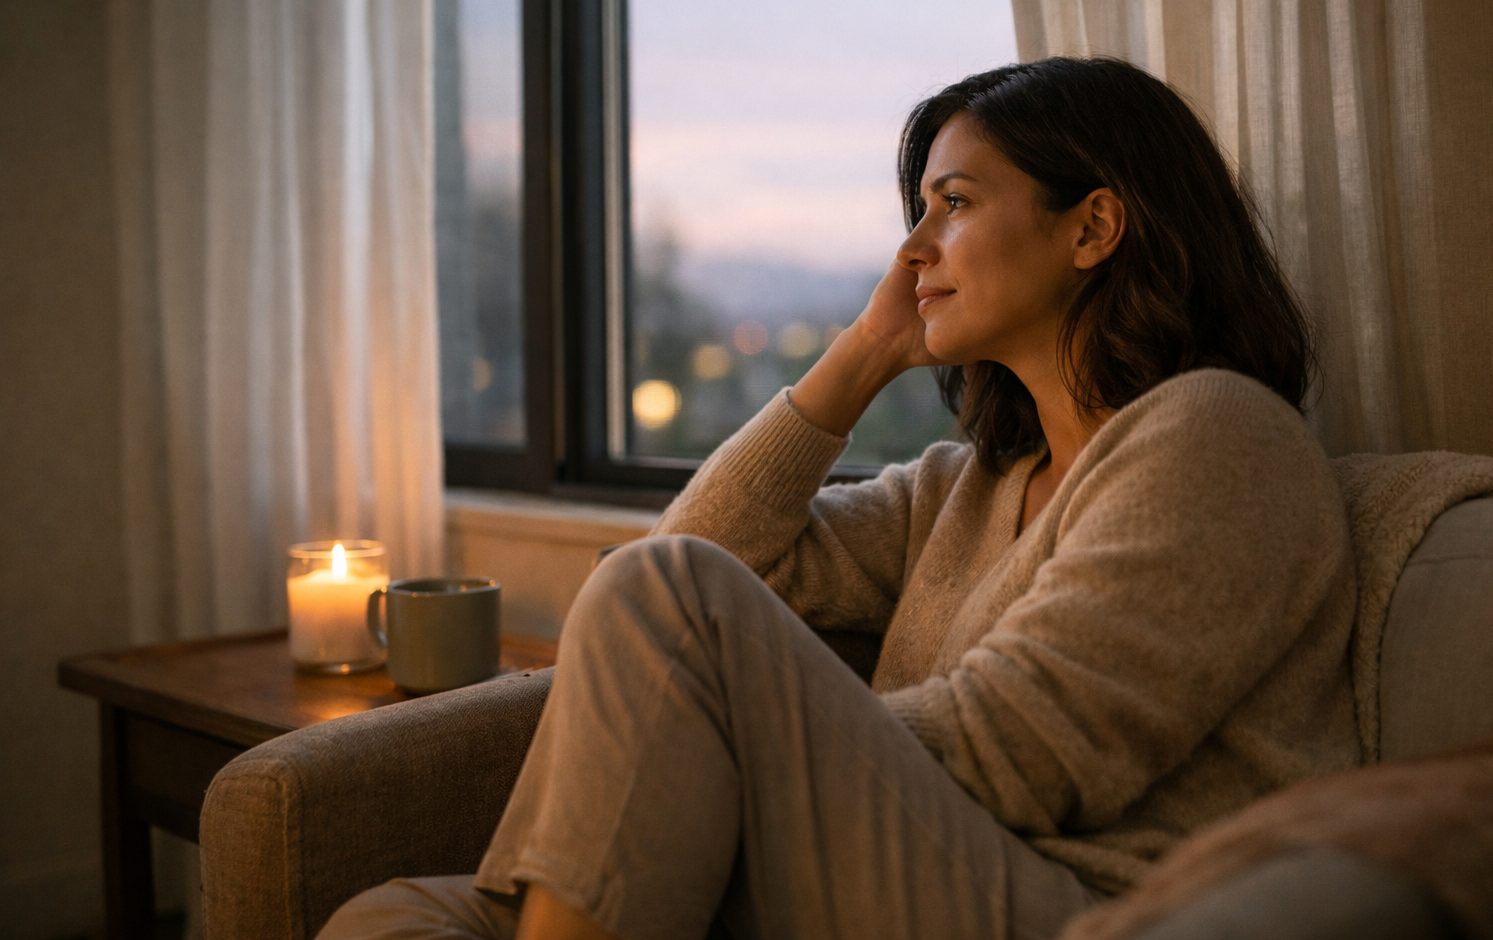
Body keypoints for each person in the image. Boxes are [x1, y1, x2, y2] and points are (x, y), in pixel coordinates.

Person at [320, 58, 1360, 940]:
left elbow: (1025, 757)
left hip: (1085, 903)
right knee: (393, 920)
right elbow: (659, 583)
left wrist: (746, 752)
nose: (912, 250)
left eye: (953, 204)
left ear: (1092, 228)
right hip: (908, 864)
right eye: (917, 213)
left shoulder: (1220, 435)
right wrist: (862, 354)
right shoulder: (962, 489)